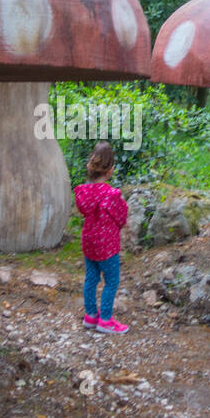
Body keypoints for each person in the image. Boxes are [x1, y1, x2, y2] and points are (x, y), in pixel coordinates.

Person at [74, 141, 130, 334]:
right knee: (111, 281)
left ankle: (90, 315)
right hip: (107, 246)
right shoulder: (111, 195)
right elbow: (122, 217)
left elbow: (84, 211)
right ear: (110, 170)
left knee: (91, 278)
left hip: (89, 243)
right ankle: (105, 319)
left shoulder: (83, 192)